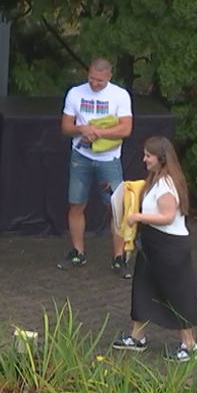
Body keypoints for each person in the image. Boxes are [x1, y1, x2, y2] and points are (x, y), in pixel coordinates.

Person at [111, 136, 197, 362]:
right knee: (143, 287)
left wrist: (136, 217)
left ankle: (189, 343)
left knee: (176, 293)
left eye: (148, 156)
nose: (144, 159)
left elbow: (167, 216)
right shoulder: (155, 179)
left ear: (161, 159)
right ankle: (137, 337)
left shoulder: (166, 185)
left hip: (169, 246)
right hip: (153, 244)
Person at [58, 57, 133, 278]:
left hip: (109, 159)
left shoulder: (120, 95)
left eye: (100, 80)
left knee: (116, 208)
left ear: (109, 76)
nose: (94, 83)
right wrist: (82, 129)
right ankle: (78, 252)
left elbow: (126, 129)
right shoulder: (75, 93)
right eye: (91, 78)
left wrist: (98, 132)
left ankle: (119, 257)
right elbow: (65, 126)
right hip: (80, 156)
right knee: (76, 203)